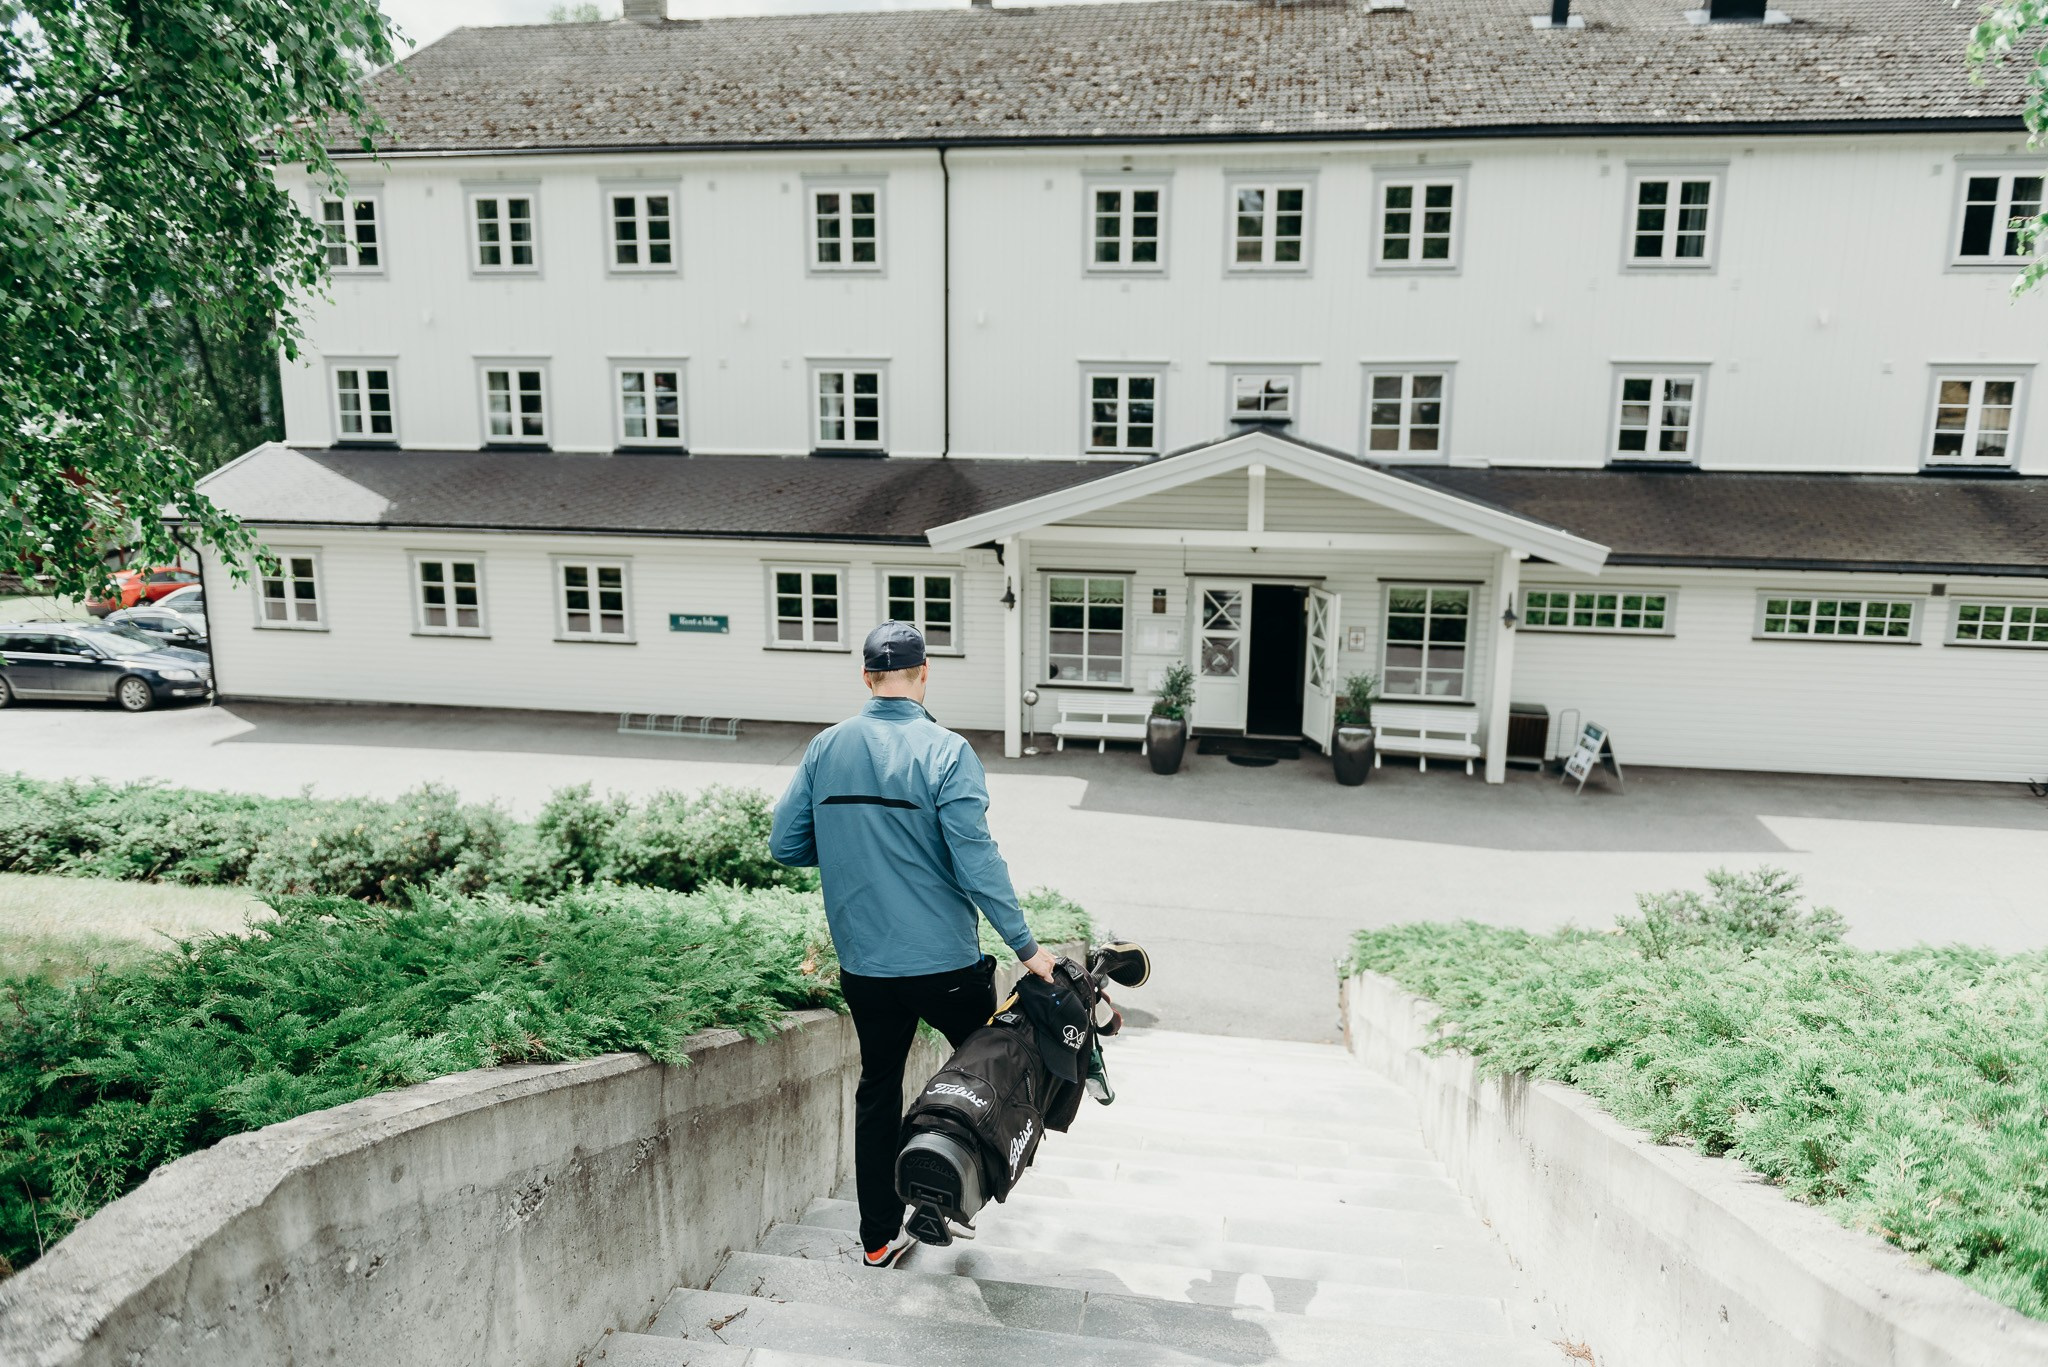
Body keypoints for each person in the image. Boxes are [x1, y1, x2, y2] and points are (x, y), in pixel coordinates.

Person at [770, 620, 1055, 1269]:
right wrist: (1027, 947)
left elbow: (784, 844)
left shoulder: (826, 748)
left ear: (866, 677)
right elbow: (977, 862)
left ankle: (876, 1238)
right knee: (995, 1071)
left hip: (866, 965)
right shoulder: (948, 752)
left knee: (878, 1088)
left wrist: (854, 849)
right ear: (925, 674)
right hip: (947, 963)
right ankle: (950, 1186)